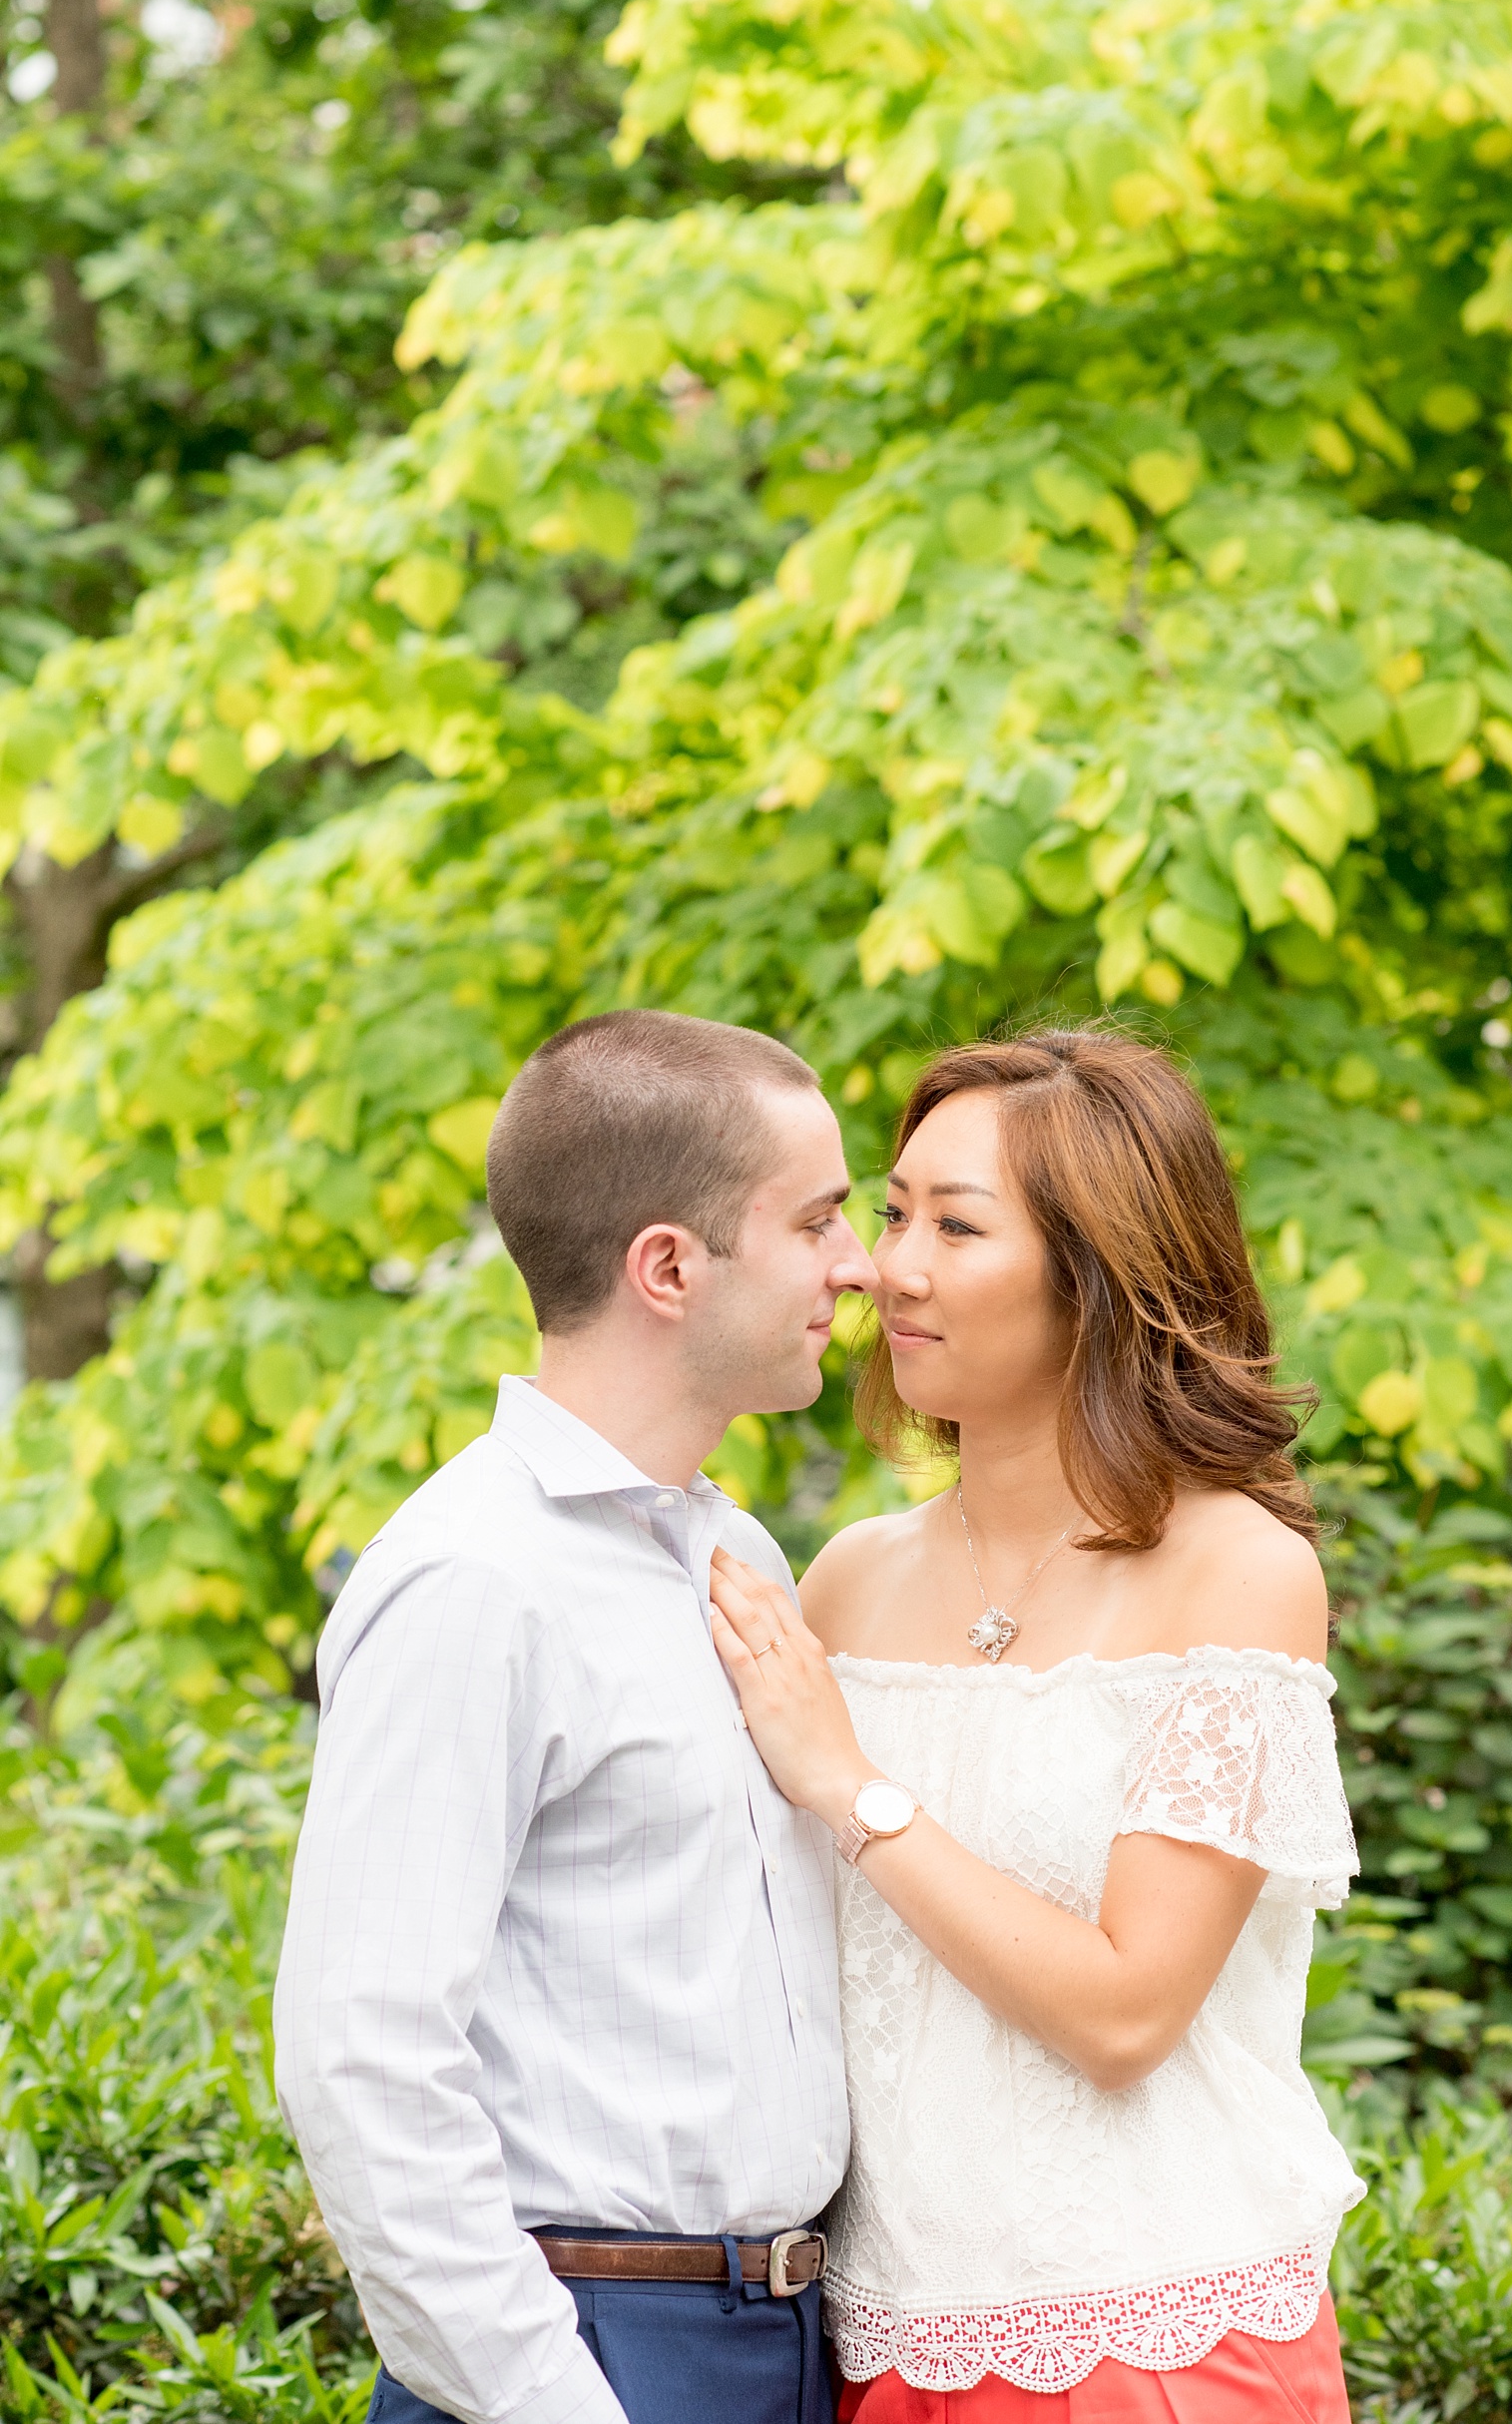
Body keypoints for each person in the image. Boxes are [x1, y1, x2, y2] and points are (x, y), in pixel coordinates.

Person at [708, 1028, 1363, 2423]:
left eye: (955, 1224)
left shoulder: (1235, 1570)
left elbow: (1129, 2010)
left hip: (1157, 2350)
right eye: (891, 1214)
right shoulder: (844, 1579)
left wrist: (852, 1787)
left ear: (1100, 1275)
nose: (890, 1265)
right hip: (867, 2349)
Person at [273, 1008, 877, 2424]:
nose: (856, 1268)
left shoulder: (741, 1556)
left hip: (791, 2343)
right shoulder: (474, 1580)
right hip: (591, 2353)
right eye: (817, 1222)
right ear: (668, 1266)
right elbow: (359, 2059)